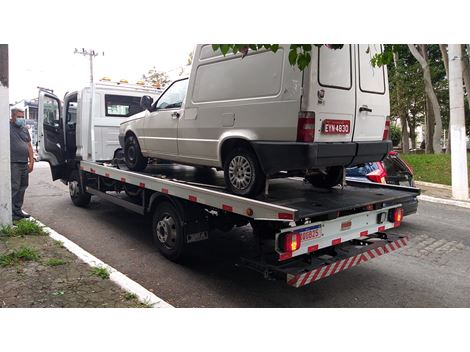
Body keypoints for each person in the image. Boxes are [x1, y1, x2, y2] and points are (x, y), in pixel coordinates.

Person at [10, 108, 34, 221]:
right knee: (14, 187)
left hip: (24, 163)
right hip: (13, 162)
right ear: (12, 116)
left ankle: (18, 210)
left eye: (22, 116)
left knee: (23, 187)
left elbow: (29, 146)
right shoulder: (6, 128)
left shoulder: (24, 129)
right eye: (19, 116)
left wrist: (31, 162)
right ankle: (10, 212)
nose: (21, 119)